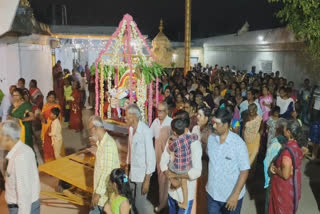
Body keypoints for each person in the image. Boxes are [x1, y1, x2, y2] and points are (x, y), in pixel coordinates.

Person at [207, 108, 250, 214]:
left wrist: (235, 195)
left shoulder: (238, 144)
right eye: (213, 123)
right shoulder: (211, 139)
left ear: (226, 124)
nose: (214, 126)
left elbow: (244, 171)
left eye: (217, 124)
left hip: (230, 196)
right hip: (212, 193)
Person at [160, 111, 202, 214]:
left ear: (186, 126)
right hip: (172, 191)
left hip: (185, 196)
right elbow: (163, 162)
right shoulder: (172, 139)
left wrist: (174, 175)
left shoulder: (195, 144)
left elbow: (197, 171)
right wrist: (171, 178)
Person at [0, 120, 40, 213]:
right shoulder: (21, 151)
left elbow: (24, 192)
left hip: (22, 208)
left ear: (7, 137)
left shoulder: (20, 157)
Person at [268, 120, 305, 214]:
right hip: (295, 183)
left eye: (285, 128)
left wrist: (275, 169)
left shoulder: (287, 152)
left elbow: (285, 175)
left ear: (289, 132)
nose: (283, 130)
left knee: (281, 209)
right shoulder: (298, 145)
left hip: (284, 188)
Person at [125, 104, 156, 214]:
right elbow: (130, 150)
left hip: (142, 176)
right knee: (131, 201)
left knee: (139, 204)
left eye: (126, 116)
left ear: (133, 116)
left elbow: (151, 157)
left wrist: (147, 180)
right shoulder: (130, 129)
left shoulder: (145, 131)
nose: (125, 119)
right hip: (132, 172)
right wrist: (127, 168)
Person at [88, 116, 120, 214]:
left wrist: (98, 194)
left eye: (90, 129)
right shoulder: (101, 143)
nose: (90, 132)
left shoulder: (108, 145)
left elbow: (107, 172)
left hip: (105, 195)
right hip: (101, 193)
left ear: (95, 128)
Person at [167, 118, 198, 209]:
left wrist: (170, 142)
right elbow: (196, 137)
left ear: (174, 132)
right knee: (184, 184)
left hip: (177, 168)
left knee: (169, 165)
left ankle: (175, 183)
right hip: (187, 167)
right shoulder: (188, 137)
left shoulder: (175, 142)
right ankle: (185, 202)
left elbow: (170, 149)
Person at [150, 102, 172, 213]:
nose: (159, 113)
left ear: (167, 111)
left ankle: (164, 203)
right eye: (158, 110)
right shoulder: (156, 122)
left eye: (162, 111)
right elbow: (150, 136)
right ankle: (163, 202)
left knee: (166, 181)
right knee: (161, 180)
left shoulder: (171, 123)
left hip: (168, 158)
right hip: (158, 156)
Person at [39, 91, 63, 163]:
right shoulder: (45, 106)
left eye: (53, 98)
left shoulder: (57, 107)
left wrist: (52, 124)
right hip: (45, 126)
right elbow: (43, 115)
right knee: (46, 145)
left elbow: (59, 118)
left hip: (52, 128)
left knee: (54, 147)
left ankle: (55, 161)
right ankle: (48, 161)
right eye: (50, 97)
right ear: (47, 98)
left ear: (55, 99)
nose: (51, 99)